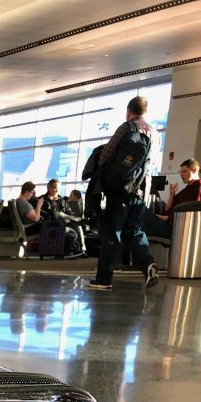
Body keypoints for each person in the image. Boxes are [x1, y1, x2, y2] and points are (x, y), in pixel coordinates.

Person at [88, 95, 158, 292]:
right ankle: (147, 263)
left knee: (112, 231)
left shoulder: (126, 128)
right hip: (141, 190)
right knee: (133, 230)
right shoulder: (154, 132)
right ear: (145, 111)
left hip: (120, 189)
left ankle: (103, 279)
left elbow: (105, 156)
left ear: (128, 111)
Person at [143, 158, 200, 239]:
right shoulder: (187, 189)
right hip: (168, 222)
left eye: (184, 171)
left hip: (176, 228)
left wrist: (160, 217)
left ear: (194, 170)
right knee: (145, 207)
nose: (181, 174)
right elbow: (167, 208)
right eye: (180, 172)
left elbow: (190, 216)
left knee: (141, 216)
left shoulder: (198, 189)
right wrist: (171, 195)